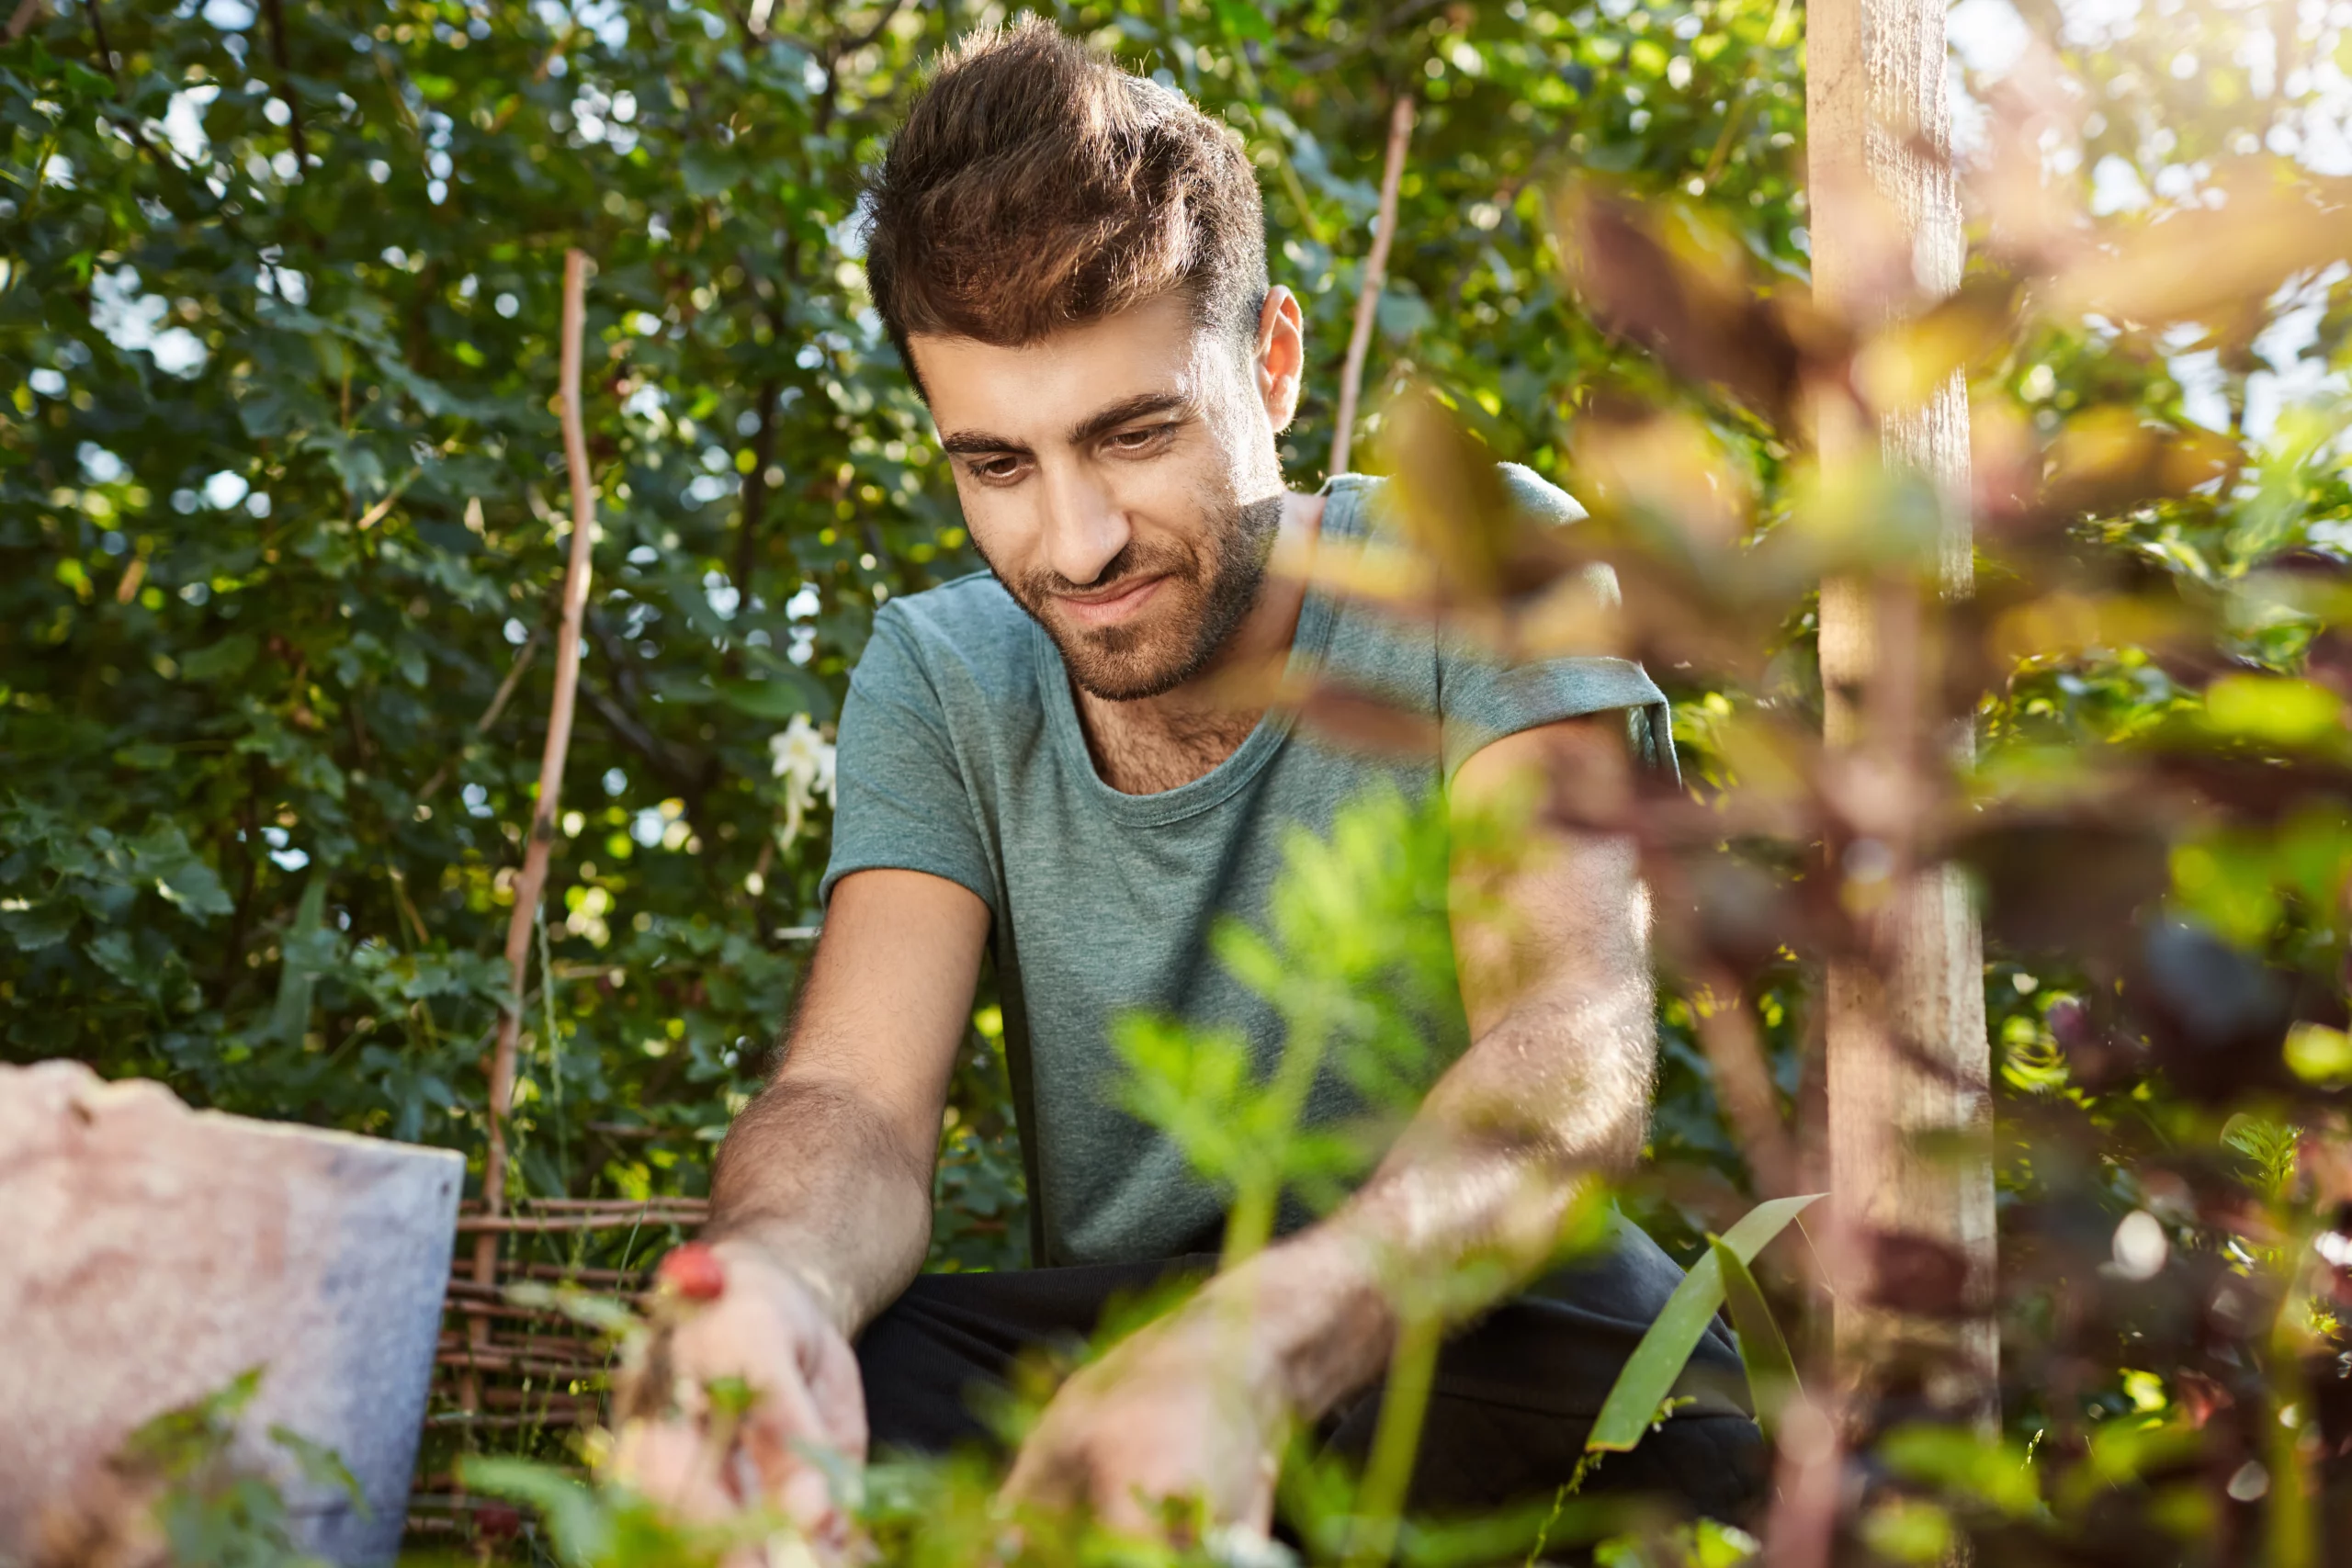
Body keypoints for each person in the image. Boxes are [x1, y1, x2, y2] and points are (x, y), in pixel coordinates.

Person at [618, 16, 1762, 1545]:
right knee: (822, 1391)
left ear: (1271, 363)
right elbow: (853, 1106)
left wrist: (1263, 1342)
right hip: (1120, 1342)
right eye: (997, 465)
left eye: (1134, 432)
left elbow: (1570, 1047)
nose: (1074, 544)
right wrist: (765, 1275)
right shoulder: (942, 671)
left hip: (1439, 1306)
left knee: (1632, 1364)